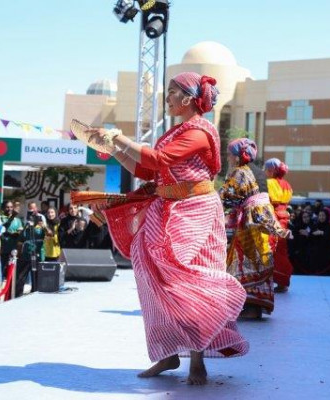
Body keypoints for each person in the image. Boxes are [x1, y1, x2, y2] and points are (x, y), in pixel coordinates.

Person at [78, 72, 248, 385]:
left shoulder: (199, 130)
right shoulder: (176, 131)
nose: (167, 98)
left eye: (172, 92)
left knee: (188, 277)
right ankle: (167, 352)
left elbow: (160, 159)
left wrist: (120, 138)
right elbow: (147, 169)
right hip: (166, 208)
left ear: (188, 98)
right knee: (149, 274)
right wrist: (115, 149)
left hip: (195, 211)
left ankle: (197, 358)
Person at [220, 138, 289, 319]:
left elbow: (228, 198)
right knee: (259, 262)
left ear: (237, 157)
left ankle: (247, 306)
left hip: (248, 225)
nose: (227, 158)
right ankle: (256, 306)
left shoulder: (239, 173)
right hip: (263, 223)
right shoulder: (260, 173)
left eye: (229, 154)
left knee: (242, 263)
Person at [264, 158, 295, 293]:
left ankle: (267, 280)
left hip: (272, 218)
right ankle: (283, 280)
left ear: (271, 170)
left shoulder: (269, 183)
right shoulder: (287, 184)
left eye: (266, 169)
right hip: (284, 219)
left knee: (270, 248)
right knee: (281, 249)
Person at [16, 214, 46, 297]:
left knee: (37, 278)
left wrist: (44, 226)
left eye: (33, 220)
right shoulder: (25, 230)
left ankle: (36, 293)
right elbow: (19, 243)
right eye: (29, 220)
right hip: (25, 257)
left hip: (37, 257)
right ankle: (18, 295)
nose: (31, 222)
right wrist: (19, 255)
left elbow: (50, 234)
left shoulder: (41, 230)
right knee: (21, 278)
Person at [308, 210, 330, 275]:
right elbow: (310, 238)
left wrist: (322, 233)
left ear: (326, 216)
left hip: (327, 255)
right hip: (316, 255)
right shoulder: (315, 226)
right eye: (320, 215)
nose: (321, 217)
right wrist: (313, 234)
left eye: (323, 215)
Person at [0, 201, 23, 278]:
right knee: (2, 268)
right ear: (3, 208)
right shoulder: (0, 218)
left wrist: (19, 233)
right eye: (7, 207)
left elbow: (20, 231)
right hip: (4, 248)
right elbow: (3, 229)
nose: (10, 209)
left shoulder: (18, 220)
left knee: (12, 270)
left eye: (11, 207)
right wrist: (10, 233)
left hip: (14, 248)